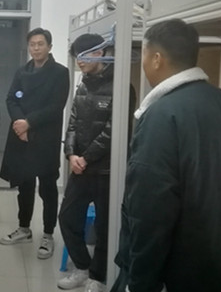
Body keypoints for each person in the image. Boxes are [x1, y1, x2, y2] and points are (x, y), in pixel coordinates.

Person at [111, 19, 221, 292]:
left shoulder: (161, 117)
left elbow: (150, 212)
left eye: (144, 56)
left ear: (156, 59)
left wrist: (139, 283)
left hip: (194, 274)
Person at [57, 34, 135, 292]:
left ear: (100, 53)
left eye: (83, 56)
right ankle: (81, 267)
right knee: (67, 217)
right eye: (76, 57)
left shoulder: (121, 86)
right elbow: (72, 122)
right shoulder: (83, 84)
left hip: (106, 170)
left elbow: (114, 131)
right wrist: (71, 154)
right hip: (80, 167)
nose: (79, 62)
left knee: (105, 226)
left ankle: (98, 277)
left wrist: (86, 157)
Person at [0, 27, 70, 259]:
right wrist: (20, 123)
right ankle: (24, 228)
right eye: (32, 44)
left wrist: (28, 123)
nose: (36, 48)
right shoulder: (22, 71)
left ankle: (48, 234)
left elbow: (56, 106)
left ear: (49, 47)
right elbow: (11, 98)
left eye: (40, 44)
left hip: (45, 138)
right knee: (24, 186)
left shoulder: (60, 72)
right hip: (22, 136)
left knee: (48, 189)